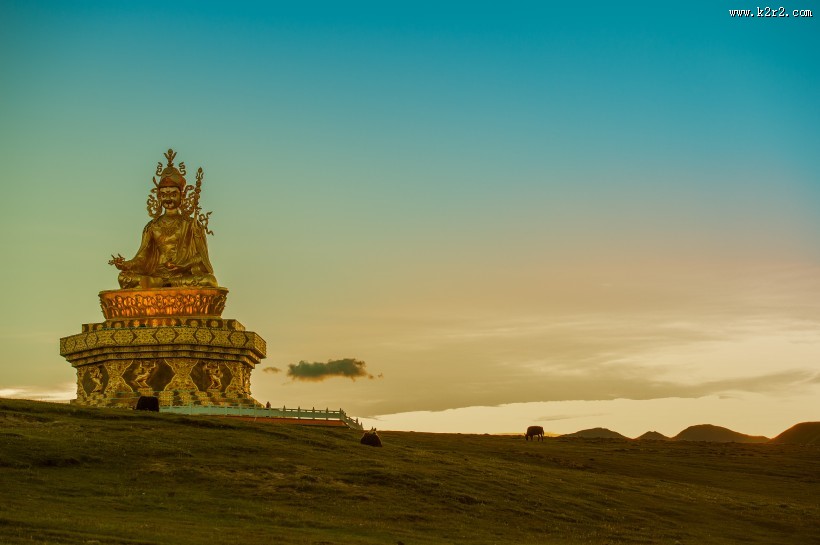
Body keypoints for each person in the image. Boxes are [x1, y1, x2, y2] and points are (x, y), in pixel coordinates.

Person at [109, 150, 217, 289]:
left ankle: (167, 284)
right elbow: (141, 258)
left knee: (209, 281)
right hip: (157, 275)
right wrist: (126, 265)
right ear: (159, 197)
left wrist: (183, 265)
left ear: (182, 195)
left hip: (182, 276)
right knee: (124, 278)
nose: (168, 198)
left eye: (173, 194)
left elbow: (201, 257)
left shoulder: (191, 224)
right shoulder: (152, 226)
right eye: (164, 194)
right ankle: (161, 283)